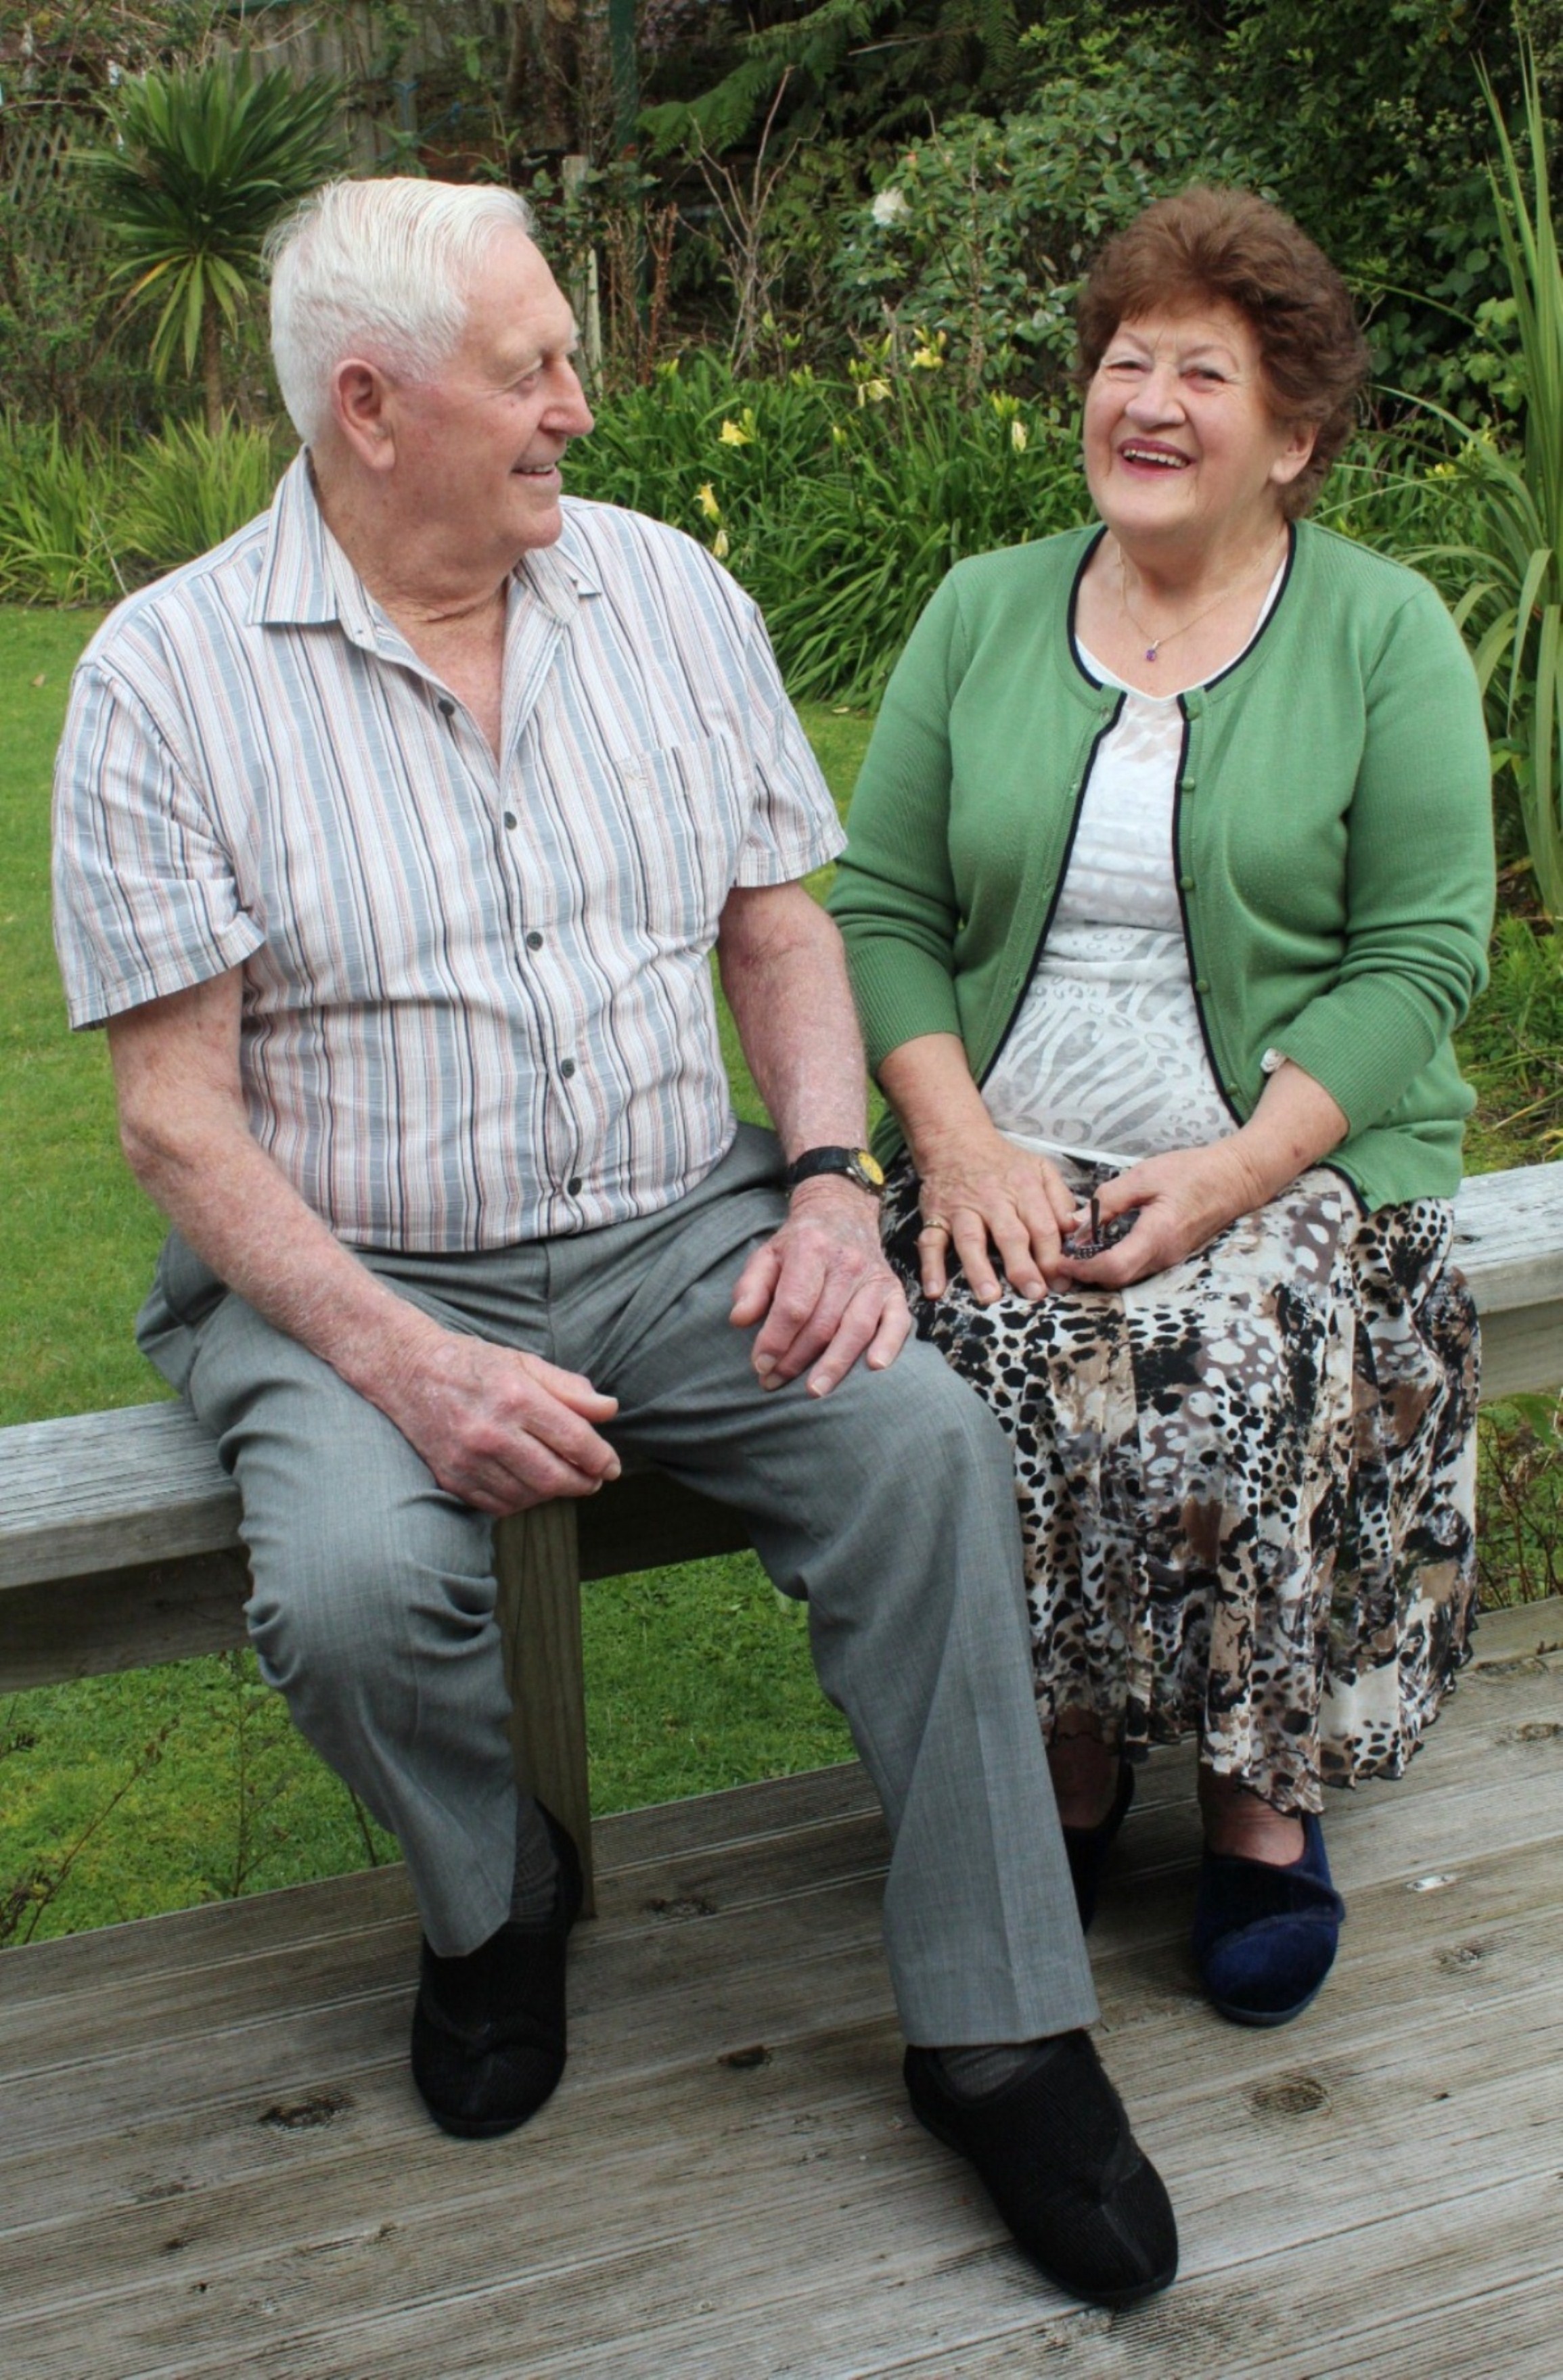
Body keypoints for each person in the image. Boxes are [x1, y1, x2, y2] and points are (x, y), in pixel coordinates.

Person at [51, 179, 1177, 2306]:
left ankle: (1000, 2024)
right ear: (371, 409)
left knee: (920, 1449)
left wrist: (837, 1183)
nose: (585, 398)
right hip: (359, 1276)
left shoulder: (665, 592)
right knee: (366, 1586)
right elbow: (175, 1121)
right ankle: (493, 1904)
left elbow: (779, 926)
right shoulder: (166, 681)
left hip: (681, 1225)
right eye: (534, 367)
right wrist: (404, 1365)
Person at [830, 186, 1495, 2028]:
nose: (1153, 396)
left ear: (1293, 438)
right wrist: (954, 1141)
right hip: (1003, 1125)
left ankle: (1253, 1799)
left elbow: (1423, 953)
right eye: (1130, 356)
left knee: (1232, 1344)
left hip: (1288, 1143)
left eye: (1208, 368)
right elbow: (877, 908)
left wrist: (1233, 1172)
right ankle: (1057, 1762)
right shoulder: (981, 614)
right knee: (960, 1351)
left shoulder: (1383, 634)